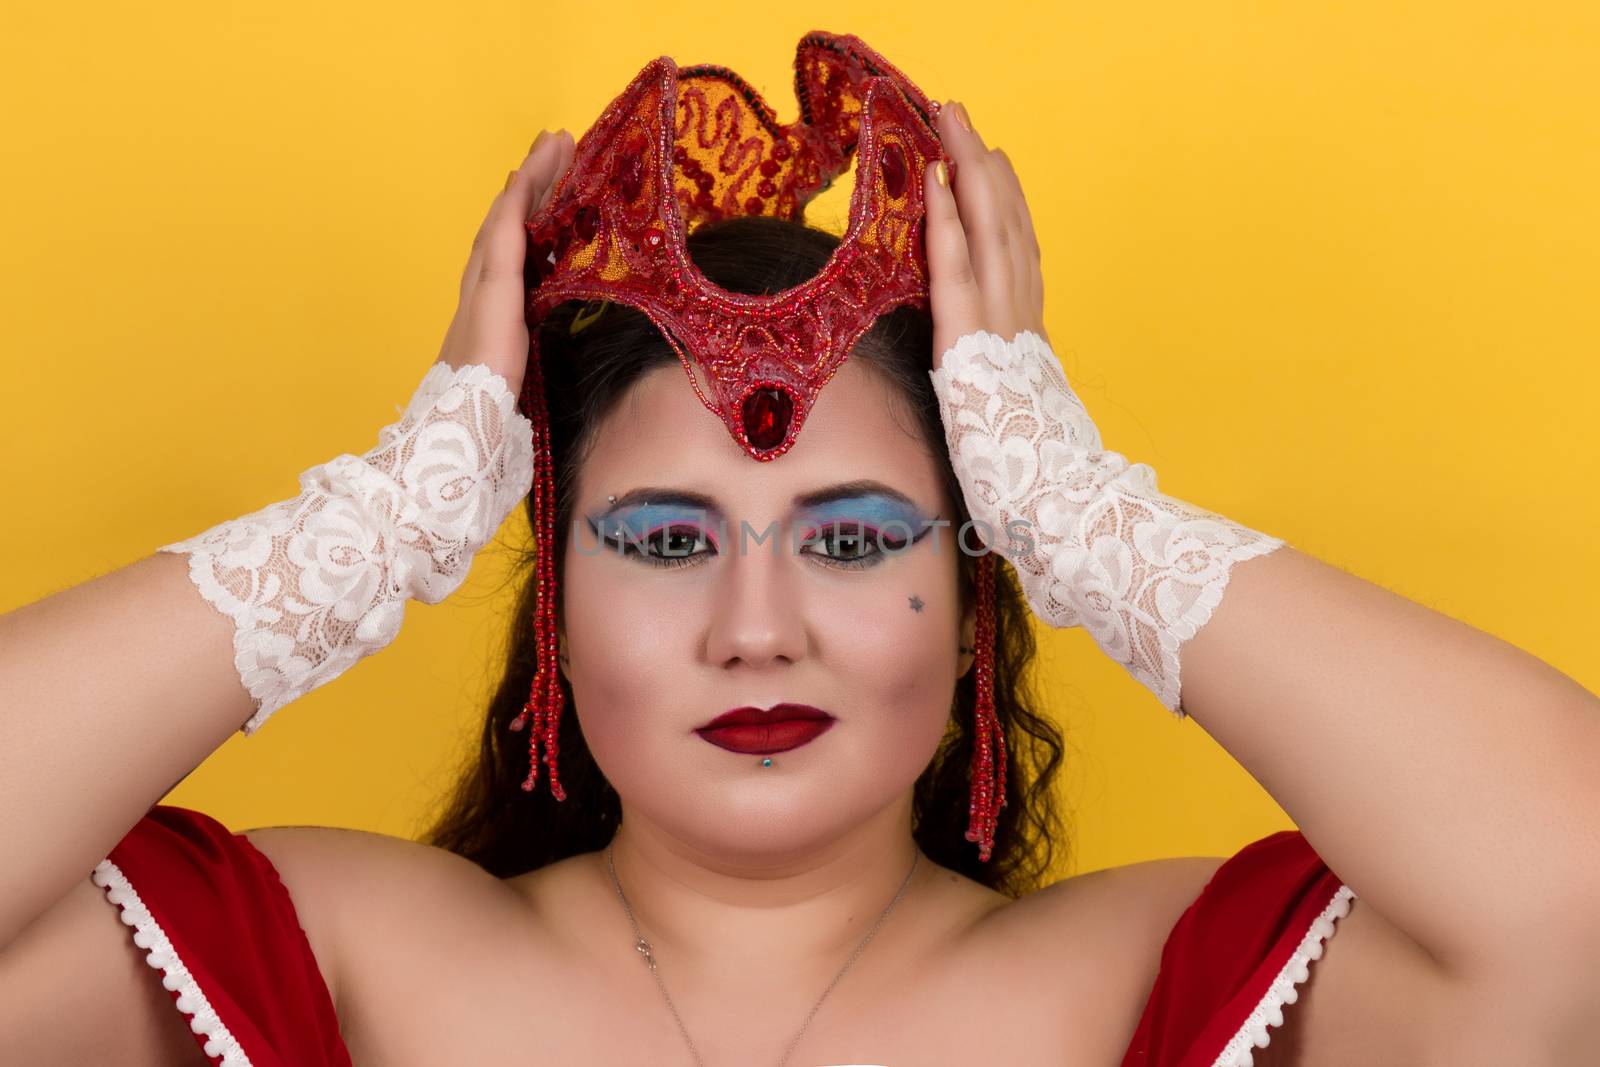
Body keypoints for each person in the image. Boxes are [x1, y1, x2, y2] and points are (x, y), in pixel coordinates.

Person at [3, 35, 1597, 1067]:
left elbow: (1567, 889)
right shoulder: (347, 955)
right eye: (664, 538)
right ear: (551, 604)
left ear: (980, 600)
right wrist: (380, 516)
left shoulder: (1152, 977)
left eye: (847, 537)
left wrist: (1074, 497)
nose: (755, 630)